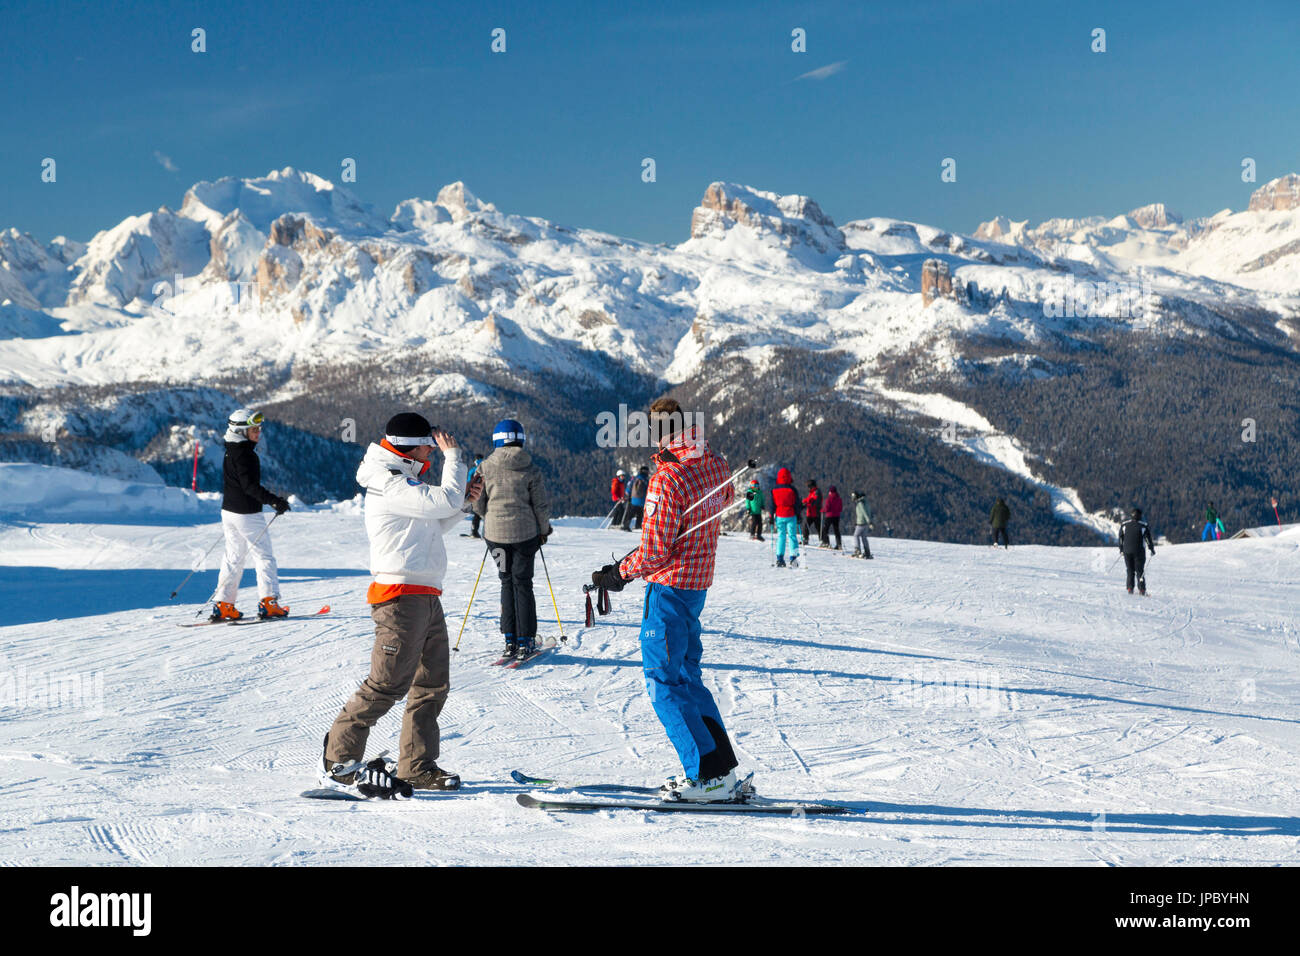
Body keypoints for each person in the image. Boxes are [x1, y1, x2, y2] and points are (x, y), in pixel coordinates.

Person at [588, 397, 743, 802]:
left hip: (670, 588)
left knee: (663, 681)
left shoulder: (667, 478)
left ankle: (705, 776)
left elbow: (656, 551)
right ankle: (720, 770)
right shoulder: (714, 461)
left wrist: (617, 574)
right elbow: (725, 500)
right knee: (688, 677)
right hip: (697, 585)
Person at [322, 412, 478, 794]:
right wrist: (454, 460)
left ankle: (417, 766)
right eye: (430, 442)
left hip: (425, 595)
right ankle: (338, 762)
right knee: (386, 685)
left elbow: (431, 521)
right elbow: (441, 499)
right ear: (412, 444)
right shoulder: (389, 481)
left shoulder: (404, 480)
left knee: (431, 684)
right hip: (399, 597)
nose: (433, 449)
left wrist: (463, 503)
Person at [473, 418, 552, 661]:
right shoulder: (531, 469)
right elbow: (540, 505)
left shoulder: (484, 468)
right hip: (526, 535)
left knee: (506, 582)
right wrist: (544, 530)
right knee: (523, 583)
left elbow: (476, 503)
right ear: (521, 439)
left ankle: (509, 639)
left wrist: (490, 516)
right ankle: (525, 640)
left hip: (495, 536)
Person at [211, 408, 292, 621]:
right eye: (253, 429)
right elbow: (249, 487)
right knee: (264, 556)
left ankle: (224, 604)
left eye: (258, 428)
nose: (258, 433)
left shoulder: (231, 449)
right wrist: (275, 500)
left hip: (229, 511)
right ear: (241, 431)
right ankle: (269, 602)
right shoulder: (246, 454)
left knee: (233, 557)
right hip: (247, 513)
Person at [1119, 507, 1156, 595]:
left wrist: (1121, 549)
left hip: (1127, 551)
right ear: (1140, 516)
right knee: (1139, 571)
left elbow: (1121, 538)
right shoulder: (1143, 526)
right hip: (1139, 552)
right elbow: (1148, 539)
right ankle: (1142, 590)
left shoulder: (1124, 525)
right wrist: (1151, 549)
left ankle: (1130, 588)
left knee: (1130, 570)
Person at [771, 468, 800, 568]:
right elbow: (797, 504)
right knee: (792, 536)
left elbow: (772, 505)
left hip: (779, 515)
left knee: (781, 537)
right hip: (791, 514)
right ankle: (793, 558)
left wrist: (771, 516)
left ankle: (780, 558)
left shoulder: (774, 490)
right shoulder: (792, 489)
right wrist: (799, 515)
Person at [622, 465, 650, 531]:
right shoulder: (646, 480)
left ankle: (626, 526)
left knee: (630, 513)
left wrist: (628, 494)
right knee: (640, 514)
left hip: (634, 499)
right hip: (643, 500)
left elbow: (629, 487)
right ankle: (638, 526)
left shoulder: (635, 478)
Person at [851, 490, 873, 559]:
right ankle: (867, 552)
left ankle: (857, 551)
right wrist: (869, 522)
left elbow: (863, 513)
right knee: (864, 537)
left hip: (861, 523)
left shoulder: (860, 503)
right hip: (865, 523)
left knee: (856, 536)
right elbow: (867, 513)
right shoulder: (866, 503)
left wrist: (869, 521)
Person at [467, 455, 484, 538]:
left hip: (475, 492)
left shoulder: (474, 469)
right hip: (486, 491)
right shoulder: (486, 467)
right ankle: (486, 533)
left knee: (477, 513)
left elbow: (468, 481)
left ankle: (474, 531)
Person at [801, 479, 822, 546]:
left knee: (819, 527)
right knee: (805, 526)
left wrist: (808, 504)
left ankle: (823, 540)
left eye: (809, 486)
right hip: (810, 513)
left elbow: (816, 501)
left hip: (816, 513)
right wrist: (803, 501)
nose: (808, 488)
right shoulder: (811, 492)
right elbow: (808, 499)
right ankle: (805, 539)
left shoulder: (817, 492)